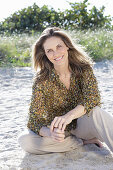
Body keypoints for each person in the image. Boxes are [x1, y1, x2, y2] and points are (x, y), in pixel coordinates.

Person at [18, 27, 113, 154]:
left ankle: (83, 139)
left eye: (59, 46)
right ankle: (80, 142)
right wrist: (50, 133)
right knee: (25, 140)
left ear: (67, 46)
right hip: (61, 133)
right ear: (45, 54)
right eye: (50, 50)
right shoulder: (41, 80)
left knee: (97, 112)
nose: (56, 53)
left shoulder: (84, 69)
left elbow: (93, 98)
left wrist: (68, 116)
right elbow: (34, 120)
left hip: (83, 125)